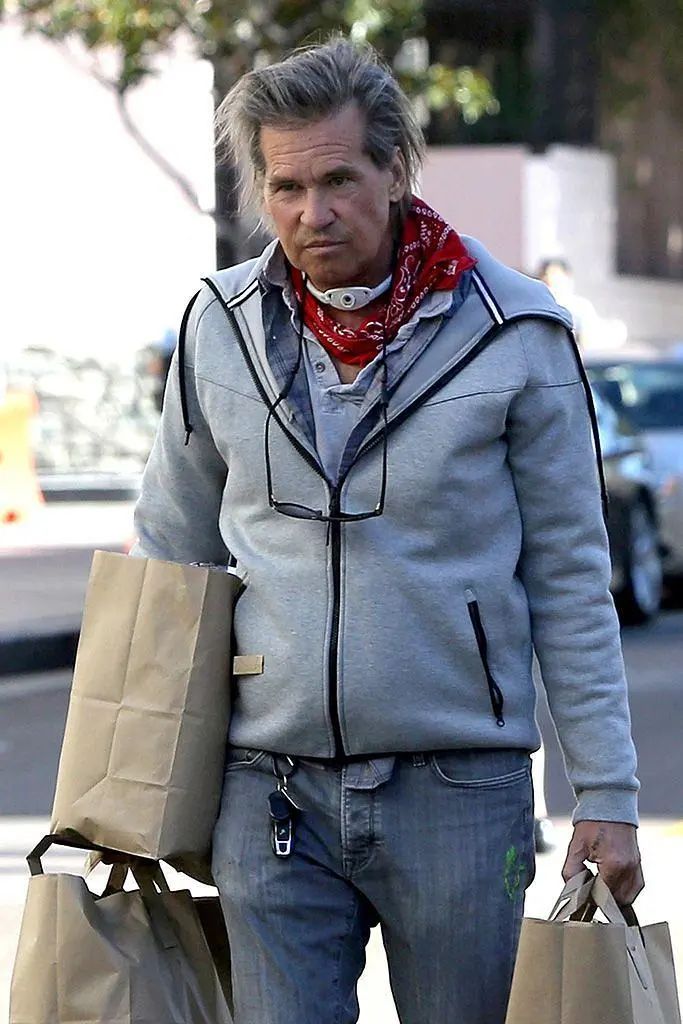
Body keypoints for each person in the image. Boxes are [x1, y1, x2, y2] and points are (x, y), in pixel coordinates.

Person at [132, 37, 643, 1024]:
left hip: (459, 788)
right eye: (285, 187)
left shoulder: (515, 330)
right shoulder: (217, 326)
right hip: (266, 791)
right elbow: (169, 559)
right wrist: (122, 784)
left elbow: (571, 581)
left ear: (394, 169)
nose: (310, 214)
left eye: (337, 180)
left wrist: (608, 794)